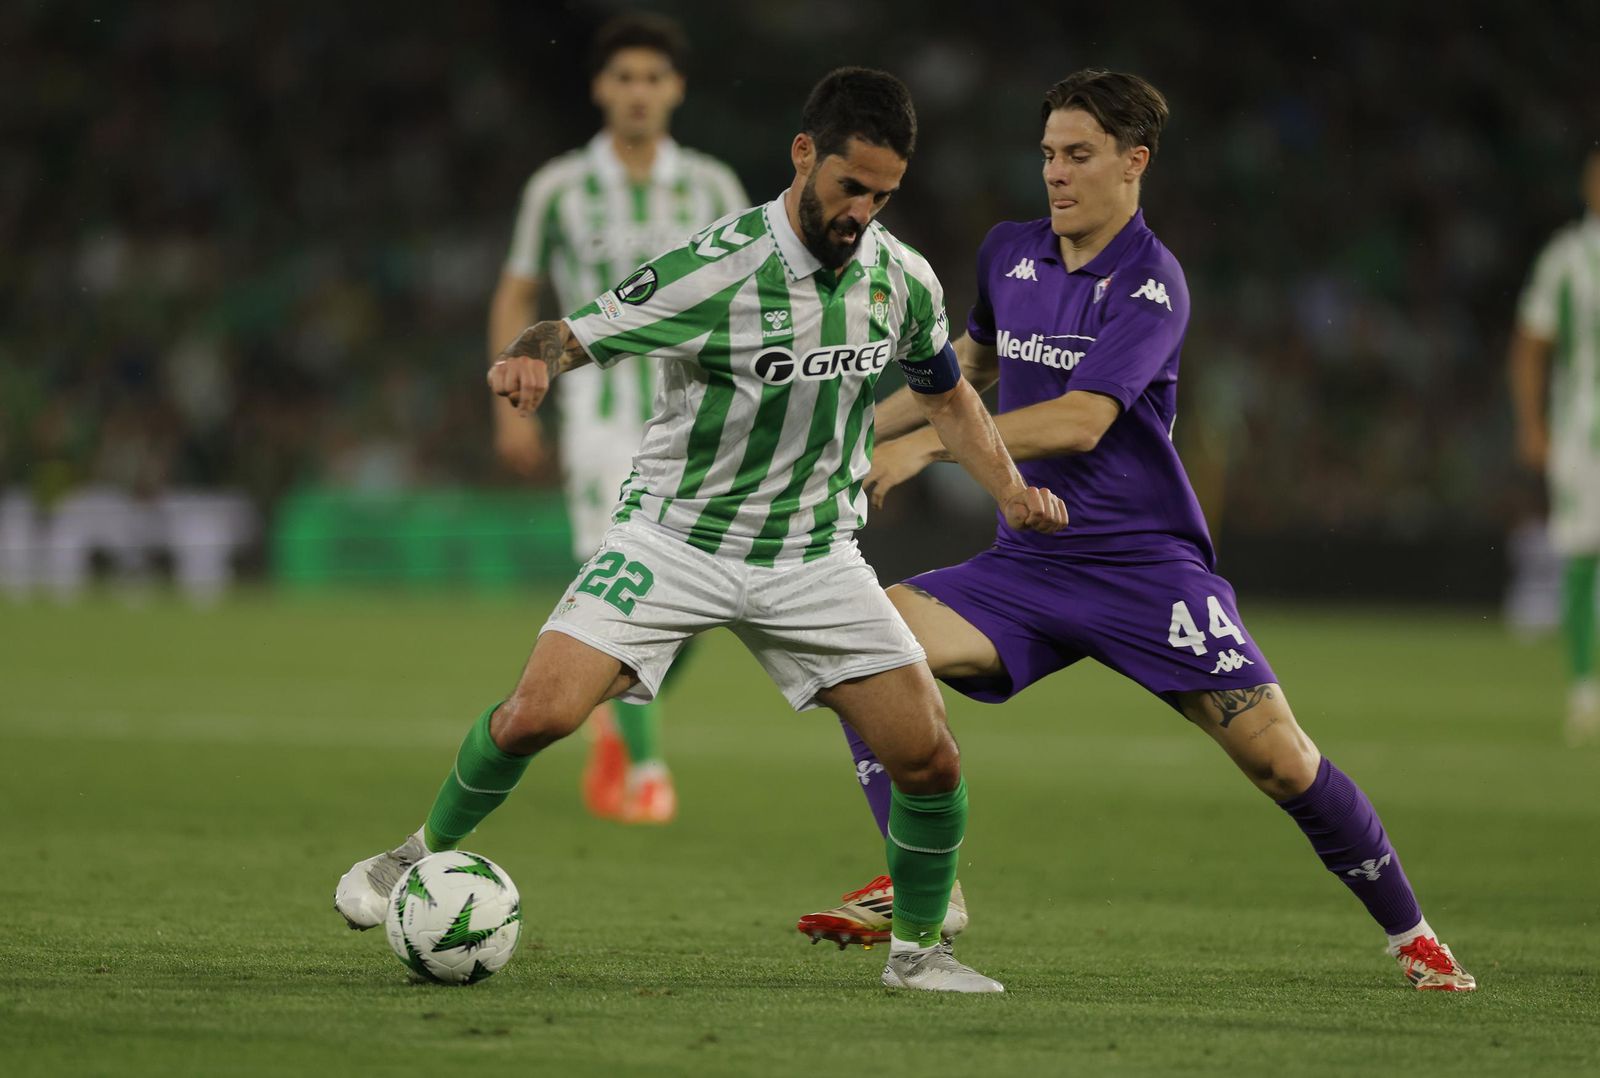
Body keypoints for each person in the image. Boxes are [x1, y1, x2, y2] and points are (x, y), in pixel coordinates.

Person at [336, 67, 1068, 993]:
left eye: (884, 195)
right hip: (675, 538)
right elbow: (579, 328)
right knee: (538, 715)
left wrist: (1007, 491)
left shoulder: (900, 278)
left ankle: (919, 953)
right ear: (804, 155)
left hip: (811, 554)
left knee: (926, 754)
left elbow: (947, 394)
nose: (862, 213)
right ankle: (410, 856)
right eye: (850, 188)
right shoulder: (716, 267)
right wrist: (529, 360)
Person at [795, 69, 1477, 993]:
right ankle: (931, 885)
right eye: (1047, 155)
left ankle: (1415, 937)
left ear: (1134, 163)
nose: (1056, 174)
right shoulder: (1009, 253)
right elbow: (961, 369)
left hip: (1145, 569)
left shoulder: (1153, 283)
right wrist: (848, 430)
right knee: (864, 650)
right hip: (1030, 562)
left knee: (1281, 762)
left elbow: (1081, 421)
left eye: (1078, 156)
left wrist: (929, 454)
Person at [488, 13, 750, 824]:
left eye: (653, 78)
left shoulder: (711, 186)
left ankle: (613, 704)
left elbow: (754, 289)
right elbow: (518, 290)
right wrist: (509, 406)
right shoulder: (559, 186)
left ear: (675, 89)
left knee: (702, 594)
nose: (638, 92)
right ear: (602, 88)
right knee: (620, 578)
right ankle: (644, 769)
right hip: (600, 416)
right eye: (624, 78)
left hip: (701, 411)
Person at [1510, 146, 1600, 747]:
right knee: (1583, 553)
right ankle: (1586, 693)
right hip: (1585, 432)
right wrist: (1533, 424)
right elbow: (1531, 343)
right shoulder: (1569, 257)